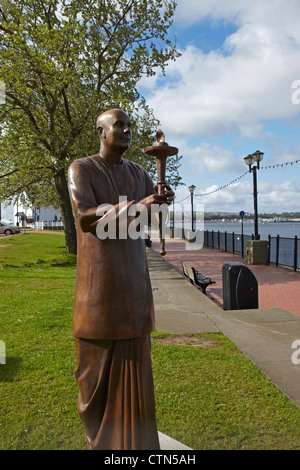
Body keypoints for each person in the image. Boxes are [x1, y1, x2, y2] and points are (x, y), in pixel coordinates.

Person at [68, 108, 174, 450]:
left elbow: (153, 220)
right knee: (93, 376)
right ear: (101, 131)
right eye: (119, 125)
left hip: (133, 286)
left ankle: (138, 444)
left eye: (130, 125)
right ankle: (101, 442)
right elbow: (87, 218)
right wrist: (141, 205)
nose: (127, 130)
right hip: (99, 290)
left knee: (136, 371)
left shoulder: (139, 172)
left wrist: (161, 200)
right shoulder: (81, 169)